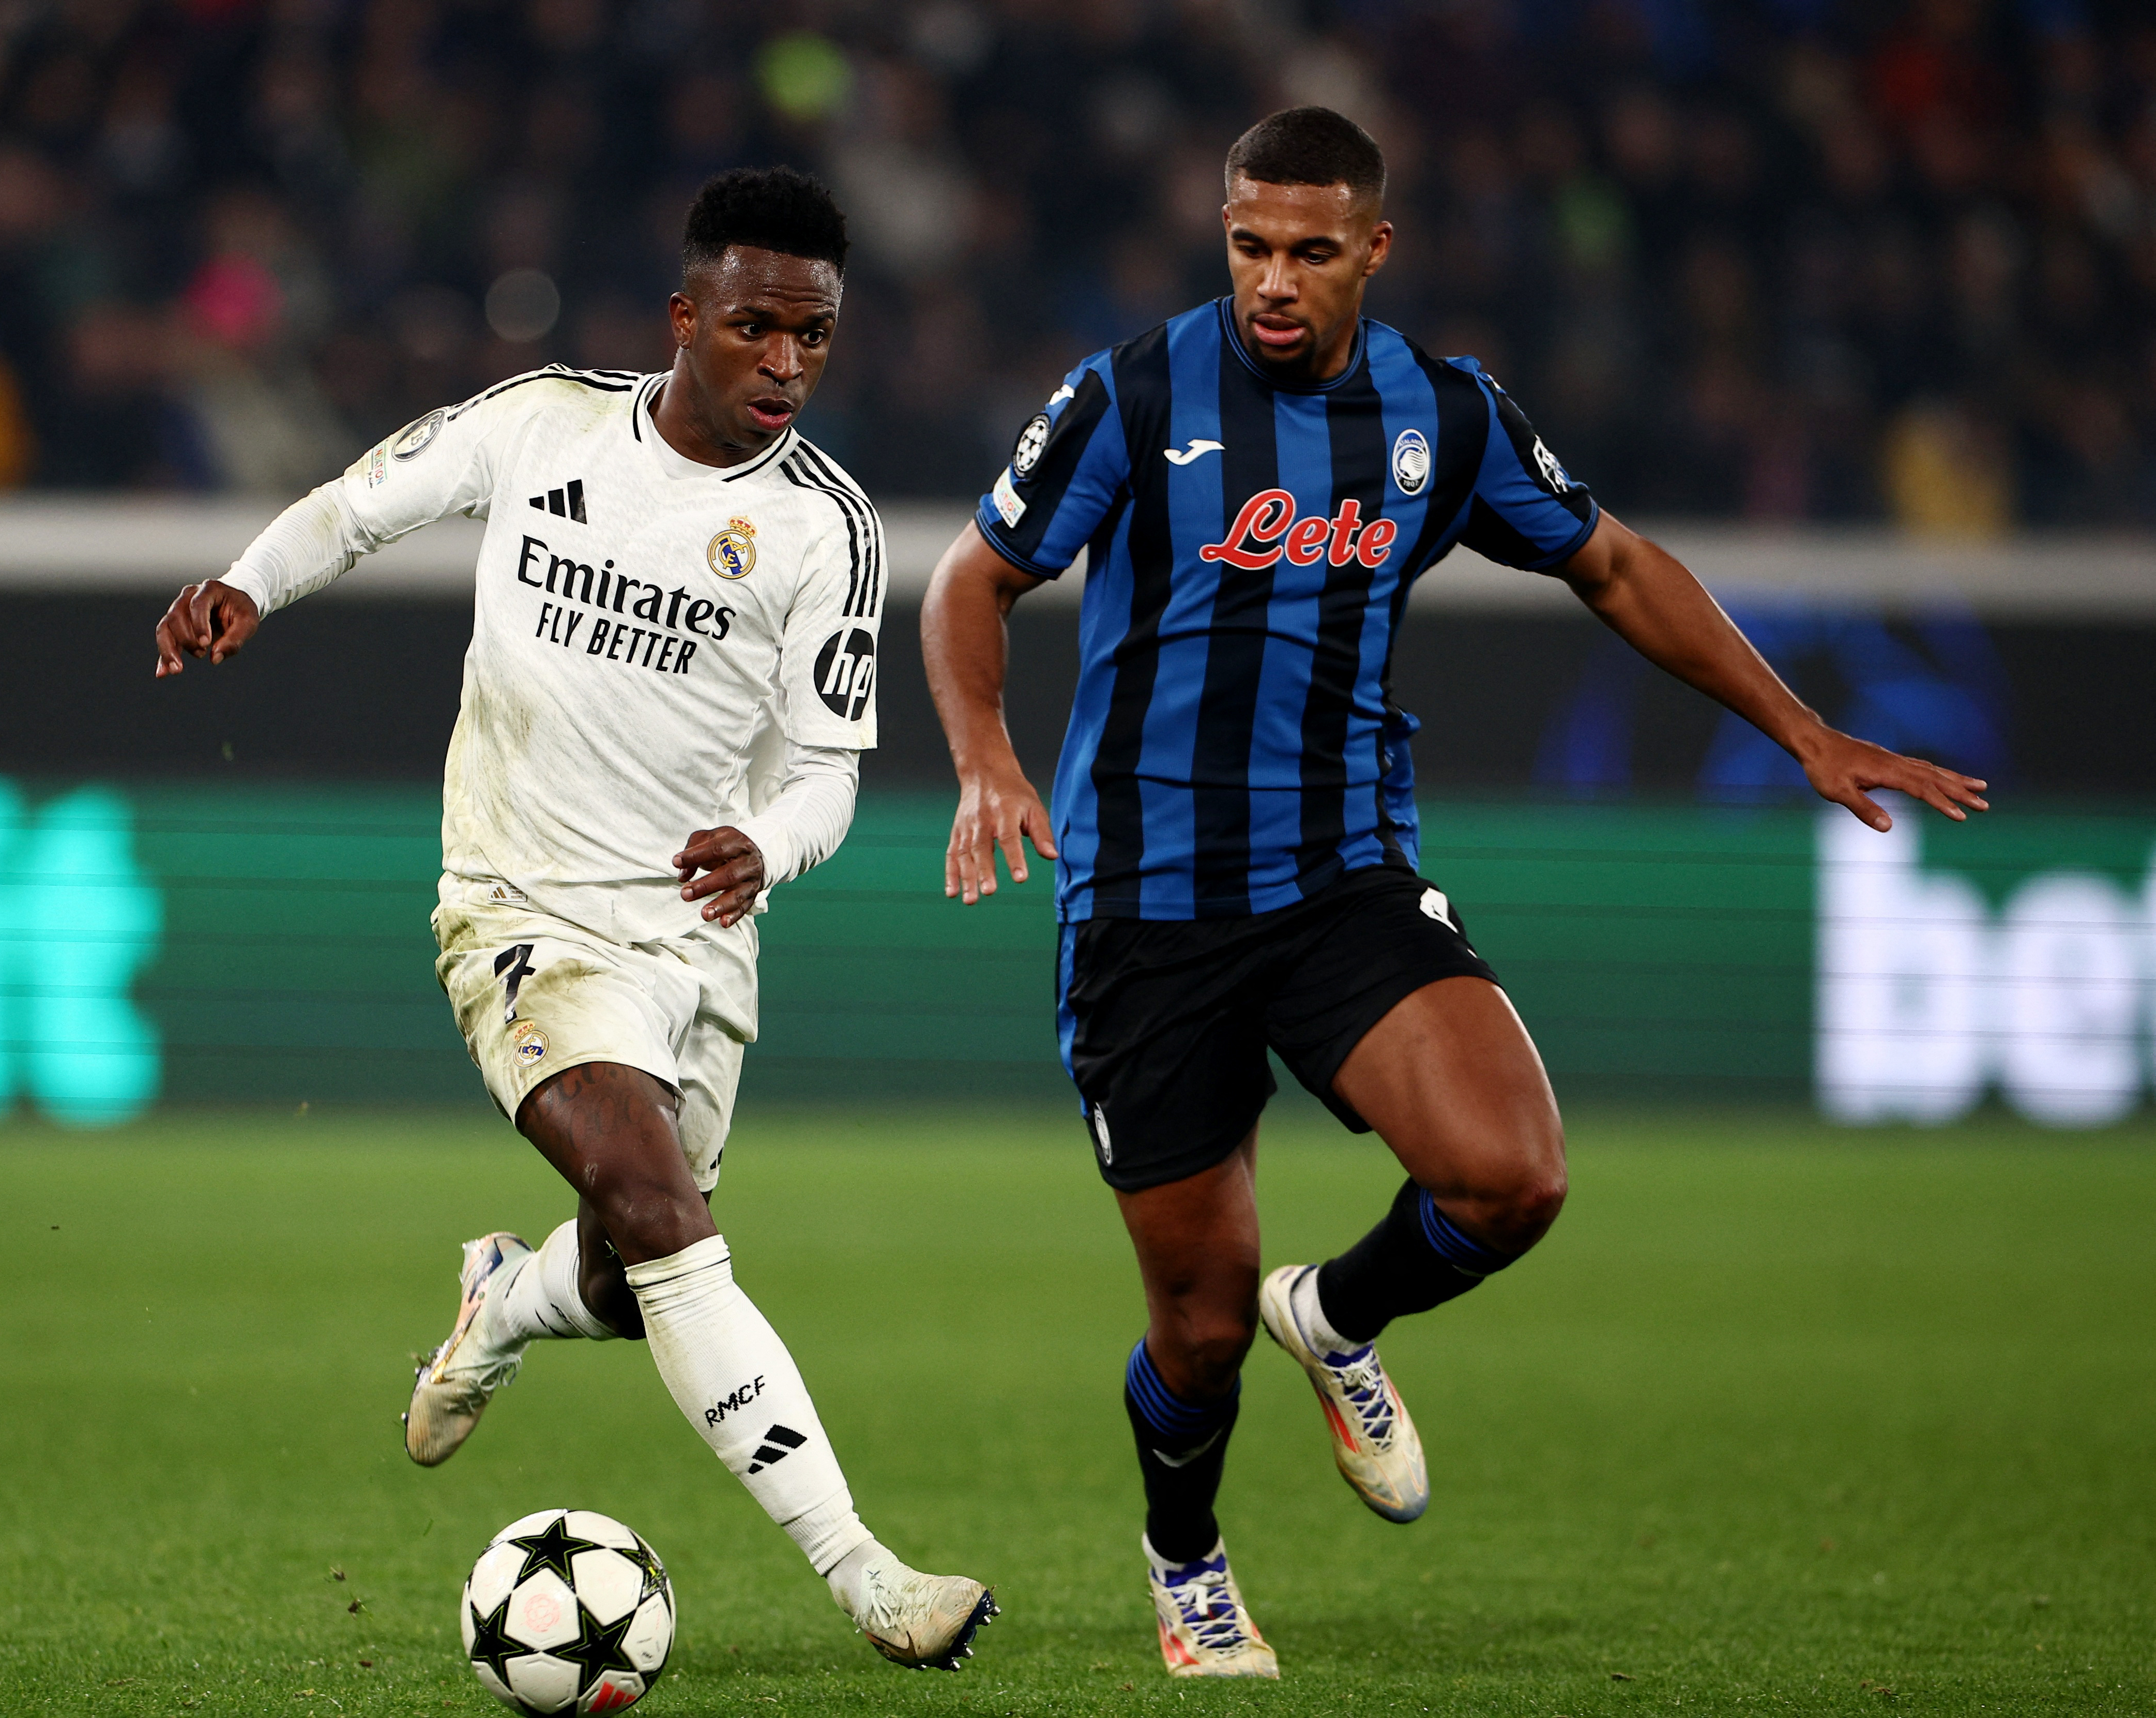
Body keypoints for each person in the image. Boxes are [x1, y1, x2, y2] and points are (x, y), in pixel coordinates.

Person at [920, 107, 1986, 1680]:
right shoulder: (1136, 391)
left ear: (1374, 249)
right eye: (1247, 246)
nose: (1272, 281)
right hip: (1146, 906)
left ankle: (1339, 1312)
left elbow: (1611, 565)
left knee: (1512, 1178)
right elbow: (972, 578)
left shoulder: (1446, 413)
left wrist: (1803, 727)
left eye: (1307, 251)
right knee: (1197, 1324)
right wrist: (984, 760)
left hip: (1345, 874)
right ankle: (1188, 1555)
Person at [156, 166, 995, 1672]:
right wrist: (244, 584)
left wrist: (769, 846)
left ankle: (505, 1297)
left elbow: (827, 772)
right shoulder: (540, 419)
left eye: (813, 337)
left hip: (691, 940)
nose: (786, 365)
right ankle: (867, 1573)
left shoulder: (826, 531)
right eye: (756, 328)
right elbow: (362, 503)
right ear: (687, 318)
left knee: (623, 1276)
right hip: (519, 908)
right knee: (667, 1218)